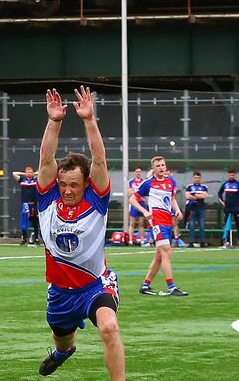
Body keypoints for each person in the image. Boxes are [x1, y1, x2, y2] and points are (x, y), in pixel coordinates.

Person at [35, 86, 124, 380]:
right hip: (60, 293)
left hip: (95, 286)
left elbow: (99, 161)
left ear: (86, 183)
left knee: (109, 328)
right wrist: (54, 120)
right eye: (64, 184)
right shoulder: (48, 200)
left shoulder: (96, 200)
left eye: (74, 184)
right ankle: (63, 353)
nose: (68, 189)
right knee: (63, 338)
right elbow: (47, 160)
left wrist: (89, 119)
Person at [131, 156, 187, 296]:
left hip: (167, 221)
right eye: (158, 166)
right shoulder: (148, 183)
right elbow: (132, 199)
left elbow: (172, 199)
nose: (161, 168)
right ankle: (171, 287)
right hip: (156, 221)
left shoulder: (171, 181)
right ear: (153, 169)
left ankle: (145, 285)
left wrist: (177, 210)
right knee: (167, 252)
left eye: (163, 165)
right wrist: (144, 212)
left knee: (159, 256)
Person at [13, 165, 40, 245]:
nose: (29, 173)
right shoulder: (22, 180)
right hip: (25, 205)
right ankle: (24, 239)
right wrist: (24, 174)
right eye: (27, 172)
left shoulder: (35, 180)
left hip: (34, 204)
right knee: (24, 222)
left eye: (30, 172)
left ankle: (37, 239)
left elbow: (42, 173)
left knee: (35, 222)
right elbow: (14, 173)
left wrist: (34, 174)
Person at [185, 171, 208, 248]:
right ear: (193, 178)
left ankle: (202, 242)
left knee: (202, 225)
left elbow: (204, 195)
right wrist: (198, 196)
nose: (197, 179)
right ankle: (191, 242)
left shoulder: (204, 187)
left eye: (198, 178)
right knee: (191, 226)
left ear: (200, 178)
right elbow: (187, 196)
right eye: (195, 178)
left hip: (201, 208)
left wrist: (194, 195)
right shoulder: (189, 187)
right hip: (192, 209)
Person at [217, 168, 239, 248]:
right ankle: (228, 242)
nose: (231, 176)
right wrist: (222, 201)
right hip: (228, 208)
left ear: (235, 175)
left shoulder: (237, 184)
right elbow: (219, 193)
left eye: (233, 175)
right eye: (230, 175)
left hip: (236, 208)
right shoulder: (225, 184)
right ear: (228, 175)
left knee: (238, 224)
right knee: (227, 225)